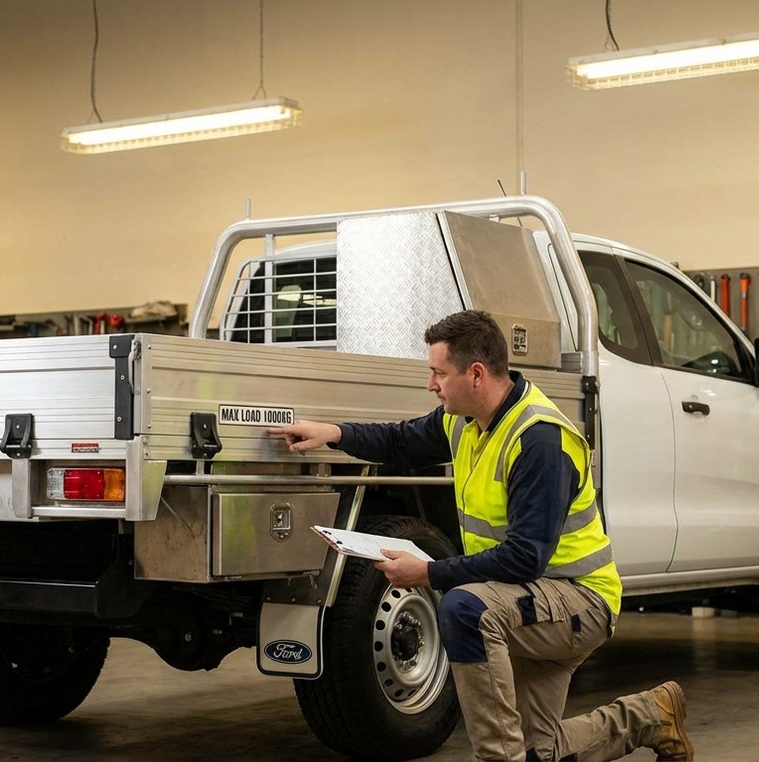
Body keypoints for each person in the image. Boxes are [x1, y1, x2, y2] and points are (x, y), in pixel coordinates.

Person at [268, 310, 693, 762]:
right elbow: (401, 442)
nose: (431, 384)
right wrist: (332, 433)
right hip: (523, 602)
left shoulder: (539, 441)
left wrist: (429, 572)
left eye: (438, 373)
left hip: (577, 602)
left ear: (475, 374)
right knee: (540, 753)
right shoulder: (463, 421)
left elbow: (525, 559)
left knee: (464, 609)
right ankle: (652, 715)